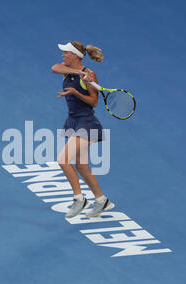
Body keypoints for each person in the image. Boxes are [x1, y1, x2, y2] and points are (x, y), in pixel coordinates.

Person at [51, 41, 114, 219]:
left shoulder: (90, 74)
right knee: (81, 166)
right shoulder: (67, 69)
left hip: (87, 123)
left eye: (66, 53)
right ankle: (102, 201)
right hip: (73, 122)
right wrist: (79, 73)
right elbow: (54, 68)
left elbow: (94, 102)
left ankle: (79, 199)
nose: (63, 55)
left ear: (75, 55)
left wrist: (76, 92)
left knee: (63, 160)